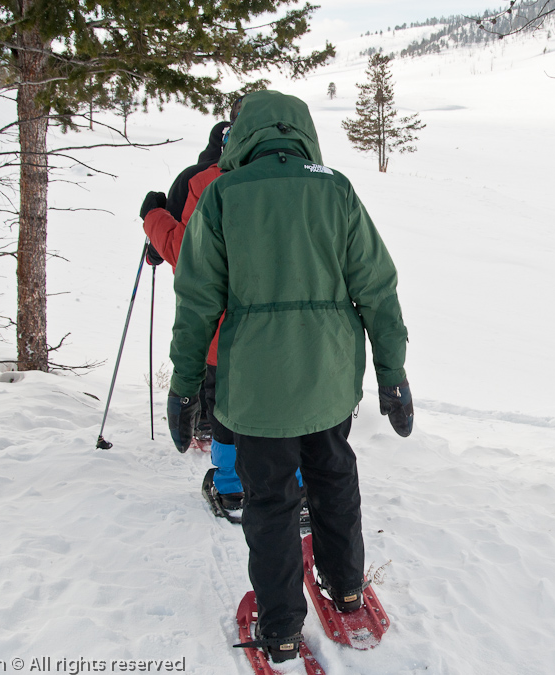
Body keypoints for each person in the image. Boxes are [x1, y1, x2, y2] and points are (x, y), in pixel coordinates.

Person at [165, 90, 412, 664]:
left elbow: (196, 302)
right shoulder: (336, 189)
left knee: (270, 500)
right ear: (300, 131)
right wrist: (392, 375)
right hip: (328, 381)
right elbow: (377, 288)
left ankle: (279, 628)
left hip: (255, 388)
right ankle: (347, 587)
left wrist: (182, 388)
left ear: (241, 135)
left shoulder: (223, 196)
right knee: (332, 475)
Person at [140, 113, 244, 515]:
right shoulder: (303, 177)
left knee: (224, 404)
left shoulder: (201, 180)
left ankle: (232, 486)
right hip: (290, 330)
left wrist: (153, 219)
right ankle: (298, 489)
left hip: (219, 324)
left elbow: (187, 253)